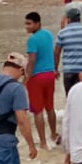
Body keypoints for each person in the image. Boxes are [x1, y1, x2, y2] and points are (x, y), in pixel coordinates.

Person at [25, 11, 59, 150]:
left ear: (37, 24)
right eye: (26, 23)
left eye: (29, 23)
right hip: (50, 75)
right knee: (50, 107)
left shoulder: (32, 40)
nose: (26, 26)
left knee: (38, 111)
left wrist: (26, 77)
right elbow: (50, 53)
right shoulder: (48, 34)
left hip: (37, 77)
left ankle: (43, 143)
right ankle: (54, 134)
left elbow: (32, 60)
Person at [55, 7, 82, 94]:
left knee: (70, 99)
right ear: (79, 19)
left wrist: (56, 69)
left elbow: (57, 53)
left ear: (68, 19)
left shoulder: (62, 33)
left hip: (68, 71)